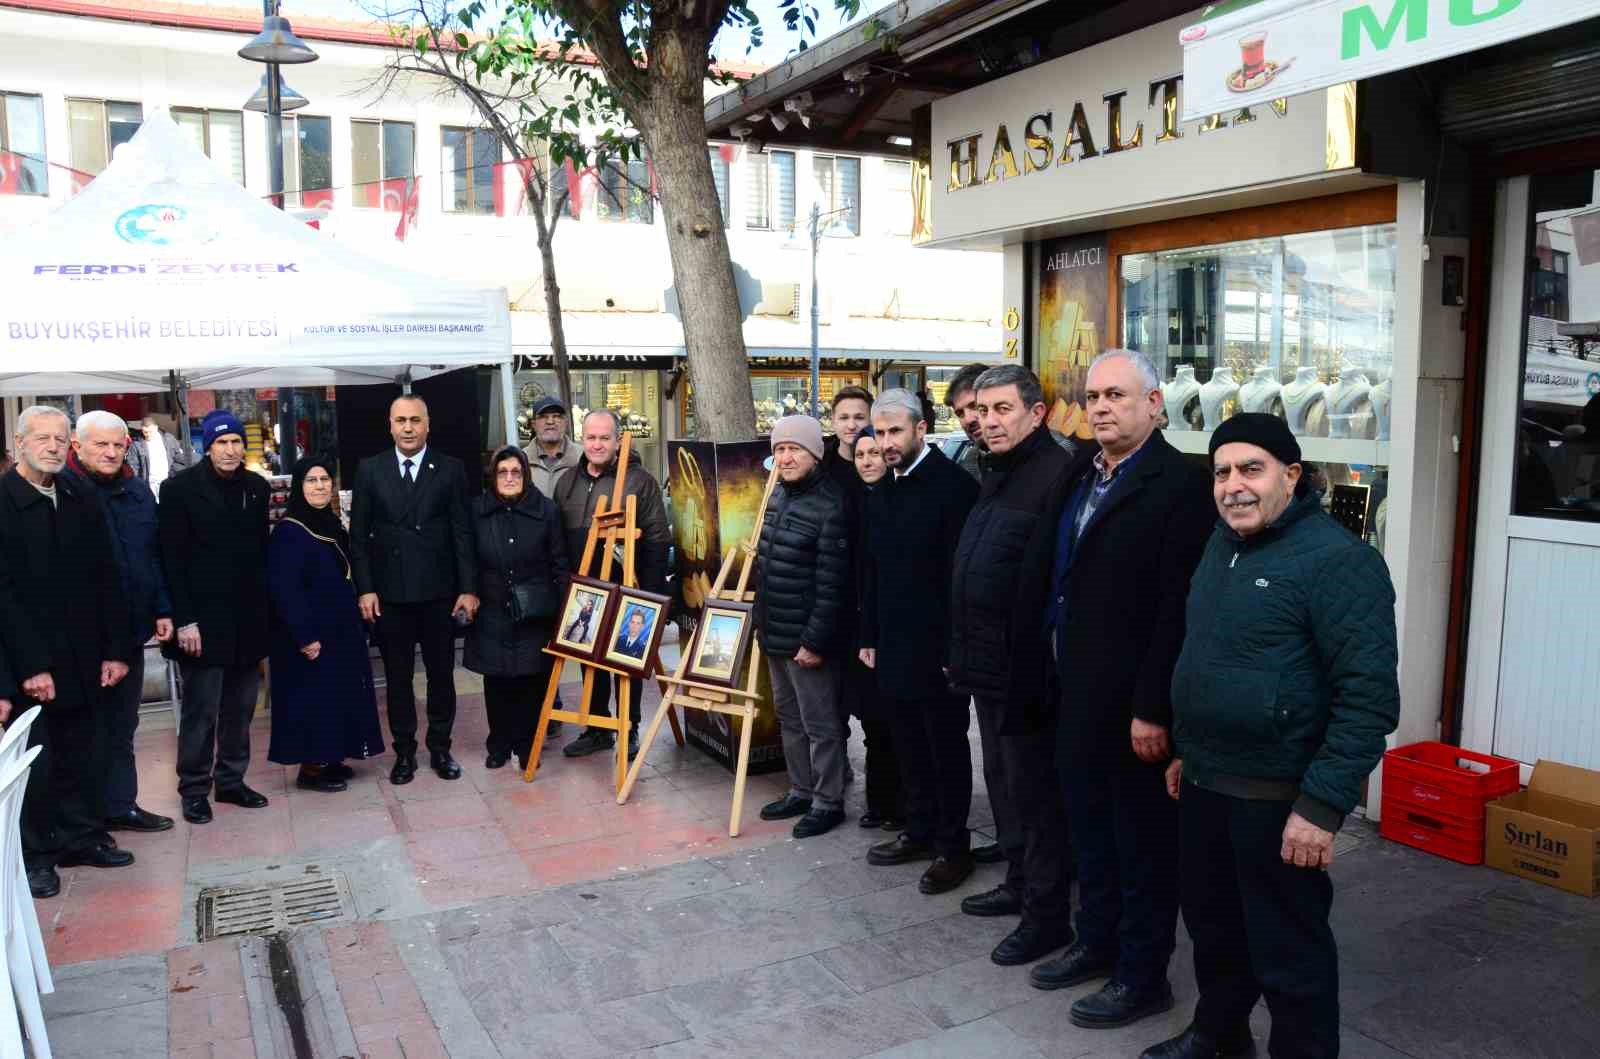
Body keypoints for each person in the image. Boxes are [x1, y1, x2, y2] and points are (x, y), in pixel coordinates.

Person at [1144, 414, 1400, 1059]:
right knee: (1213, 930)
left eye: (1251, 469)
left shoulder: (1340, 562)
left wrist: (1322, 806)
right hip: (1206, 781)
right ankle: (1218, 1036)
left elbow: (1368, 699)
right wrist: (1187, 751)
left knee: (1289, 951)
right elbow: (1207, 658)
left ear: (1291, 475)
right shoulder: (1220, 546)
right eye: (1221, 472)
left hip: (1279, 797)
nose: (1233, 485)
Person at [1029, 350, 1216, 1033]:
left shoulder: (1181, 484)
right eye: (1094, 396)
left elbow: (1176, 605)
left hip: (1133, 704)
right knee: (1090, 832)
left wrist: (1151, 707)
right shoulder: (1084, 471)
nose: (1102, 407)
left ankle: (1142, 974)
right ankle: (1095, 942)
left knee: (1141, 845)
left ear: (1154, 403)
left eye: (1117, 395)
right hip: (1073, 692)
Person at [948, 366, 1080, 968]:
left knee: (1036, 796)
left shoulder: (1055, 474)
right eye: (982, 410)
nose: (988, 421)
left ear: (1037, 413)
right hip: (986, 665)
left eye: (1003, 409)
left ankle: (1046, 915)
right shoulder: (995, 470)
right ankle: (1019, 881)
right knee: (1003, 783)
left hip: (1027, 671)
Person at [0, 406, 133, 899]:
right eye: (43, 438)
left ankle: (83, 838)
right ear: (19, 444)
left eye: (60, 438)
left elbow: (107, 577)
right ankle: (38, 856)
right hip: (29, 664)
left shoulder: (79, 495)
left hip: (85, 658)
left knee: (85, 753)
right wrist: (29, 668)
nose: (54, 447)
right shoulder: (4, 502)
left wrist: (116, 650)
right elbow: (3, 597)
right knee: (38, 765)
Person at [860, 389, 979, 894]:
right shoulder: (883, 490)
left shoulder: (954, 487)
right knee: (906, 742)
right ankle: (919, 828)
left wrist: (956, 649)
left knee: (944, 748)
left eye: (895, 432)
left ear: (920, 429)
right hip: (892, 643)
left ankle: (953, 847)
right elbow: (872, 569)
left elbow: (962, 577)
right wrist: (868, 634)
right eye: (879, 433)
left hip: (938, 649)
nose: (886, 442)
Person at [350, 395, 479, 785]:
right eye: (401, 420)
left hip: (440, 594)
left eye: (415, 420)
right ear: (390, 425)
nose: (408, 428)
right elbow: (359, 537)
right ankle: (404, 752)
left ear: (428, 424)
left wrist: (468, 588)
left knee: (441, 677)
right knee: (398, 679)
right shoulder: (370, 470)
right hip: (391, 595)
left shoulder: (451, 469)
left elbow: (463, 533)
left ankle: (440, 748)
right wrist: (366, 589)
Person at [61, 410, 175, 835]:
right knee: (83, 731)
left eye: (117, 445)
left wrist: (162, 608)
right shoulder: (62, 493)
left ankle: (120, 805)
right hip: (80, 639)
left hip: (130, 632)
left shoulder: (137, 492)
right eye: (100, 444)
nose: (110, 452)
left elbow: (153, 556)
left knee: (124, 725)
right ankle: (85, 821)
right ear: (77, 446)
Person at [160, 409, 273, 825]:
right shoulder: (178, 490)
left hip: (248, 620)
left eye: (236, 442)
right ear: (207, 447)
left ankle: (230, 780)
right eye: (221, 442)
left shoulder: (257, 488)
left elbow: (261, 556)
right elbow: (172, 561)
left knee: (241, 709)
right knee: (201, 712)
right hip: (202, 625)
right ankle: (193, 789)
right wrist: (185, 620)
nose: (230, 450)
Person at [753, 414, 852, 839]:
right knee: (789, 719)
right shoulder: (777, 495)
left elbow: (833, 585)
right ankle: (800, 789)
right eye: (779, 449)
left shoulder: (831, 505)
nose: (786, 457)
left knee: (821, 725)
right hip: (775, 633)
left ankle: (828, 801)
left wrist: (814, 641)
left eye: (795, 449)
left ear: (814, 454)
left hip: (807, 642)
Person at [554, 409, 671, 761]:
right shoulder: (567, 481)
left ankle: (629, 726)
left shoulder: (640, 481)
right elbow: (557, 539)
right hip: (584, 588)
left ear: (618, 441)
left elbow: (657, 538)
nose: (597, 444)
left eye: (604, 438)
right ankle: (597, 728)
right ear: (582, 439)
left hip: (628, 585)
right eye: (591, 437)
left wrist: (649, 596)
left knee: (625, 659)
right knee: (588, 659)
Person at [266, 456, 385, 792]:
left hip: (339, 629)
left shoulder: (331, 524)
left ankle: (332, 758)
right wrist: (305, 636)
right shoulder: (289, 531)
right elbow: (285, 589)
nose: (319, 486)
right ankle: (311, 769)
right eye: (311, 480)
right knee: (313, 699)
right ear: (299, 487)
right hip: (311, 632)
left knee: (336, 696)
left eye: (324, 480)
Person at [462, 446, 569, 770]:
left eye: (516, 472)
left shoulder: (547, 511)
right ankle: (499, 743)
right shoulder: (476, 510)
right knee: (496, 681)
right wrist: (469, 592)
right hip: (492, 606)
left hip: (535, 610)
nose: (509, 478)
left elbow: (559, 563)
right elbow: (466, 558)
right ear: (493, 476)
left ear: (526, 475)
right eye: (502, 472)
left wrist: (563, 609)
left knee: (531, 680)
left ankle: (527, 746)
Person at [849, 425, 902, 830]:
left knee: (892, 722)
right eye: (860, 455)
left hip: (890, 629)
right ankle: (879, 801)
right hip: (859, 628)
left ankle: (896, 804)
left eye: (874, 453)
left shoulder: (895, 501)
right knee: (871, 722)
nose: (867, 461)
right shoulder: (853, 502)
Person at [525, 395, 582, 500]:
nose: (550, 421)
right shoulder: (520, 460)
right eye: (543, 417)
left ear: (566, 422)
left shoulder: (584, 458)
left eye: (557, 416)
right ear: (533, 424)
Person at [943, 363, 992, 481]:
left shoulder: (1031, 463)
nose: (968, 420)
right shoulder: (968, 465)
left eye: (974, 406)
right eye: (960, 413)